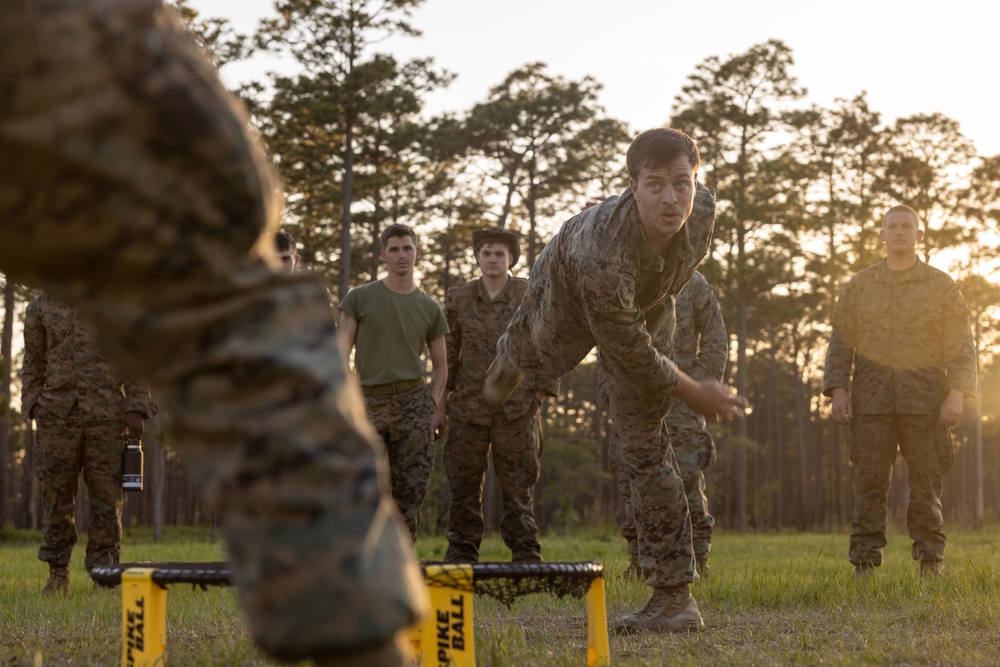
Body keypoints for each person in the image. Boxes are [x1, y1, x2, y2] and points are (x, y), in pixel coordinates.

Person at [1, 2, 424, 665]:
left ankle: (356, 641)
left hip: (65, 42)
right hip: (71, 44)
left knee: (224, 272)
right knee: (226, 274)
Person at [484, 127, 746, 634]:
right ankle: (508, 355)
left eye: (681, 183)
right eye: (654, 185)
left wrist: (677, 374)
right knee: (540, 353)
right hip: (568, 285)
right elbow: (623, 345)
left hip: (644, 306)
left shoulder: (705, 211)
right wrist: (692, 388)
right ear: (632, 185)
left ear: (697, 182)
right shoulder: (598, 252)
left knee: (646, 447)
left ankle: (674, 598)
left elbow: (637, 338)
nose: (671, 199)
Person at [823, 204, 977, 577]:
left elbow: (960, 345)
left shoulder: (941, 286)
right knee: (869, 484)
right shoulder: (860, 286)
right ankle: (864, 563)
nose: (899, 232)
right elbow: (841, 342)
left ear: (919, 235)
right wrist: (838, 390)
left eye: (907, 226)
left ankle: (930, 560)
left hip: (926, 403)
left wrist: (957, 393)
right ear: (881, 234)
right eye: (891, 226)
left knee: (926, 483)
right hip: (871, 403)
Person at [21, 294, 155, 594]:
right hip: (57, 416)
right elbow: (33, 361)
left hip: (107, 416)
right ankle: (57, 573)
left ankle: (104, 575)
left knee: (107, 499)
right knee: (56, 496)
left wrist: (136, 406)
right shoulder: (41, 306)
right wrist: (33, 404)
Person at [442, 227, 558, 564]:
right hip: (467, 409)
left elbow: (548, 343)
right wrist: (441, 401)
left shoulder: (530, 295)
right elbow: (448, 354)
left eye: (499, 254)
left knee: (518, 488)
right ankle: (461, 555)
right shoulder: (460, 298)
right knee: (463, 485)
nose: (492, 259)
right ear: (478, 257)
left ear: (511, 259)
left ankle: (525, 555)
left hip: (517, 410)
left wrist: (537, 394)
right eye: (486, 253)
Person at [612, 270, 727, 579]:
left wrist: (699, 388)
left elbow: (716, 337)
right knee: (633, 479)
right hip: (636, 397)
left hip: (683, 400)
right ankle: (639, 563)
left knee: (687, 476)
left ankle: (697, 560)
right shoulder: (630, 275)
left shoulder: (696, 282)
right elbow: (612, 337)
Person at [340, 223, 449, 542]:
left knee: (410, 494)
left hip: (412, 404)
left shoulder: (429, 307)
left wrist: (431, 405)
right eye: (395, 249)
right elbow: (340, 355)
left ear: (418, 253)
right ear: (383, 255)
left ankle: (400, 572)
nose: (402, 255)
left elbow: (441, 368)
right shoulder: (358, 298)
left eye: (407, 248)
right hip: (366, 402)